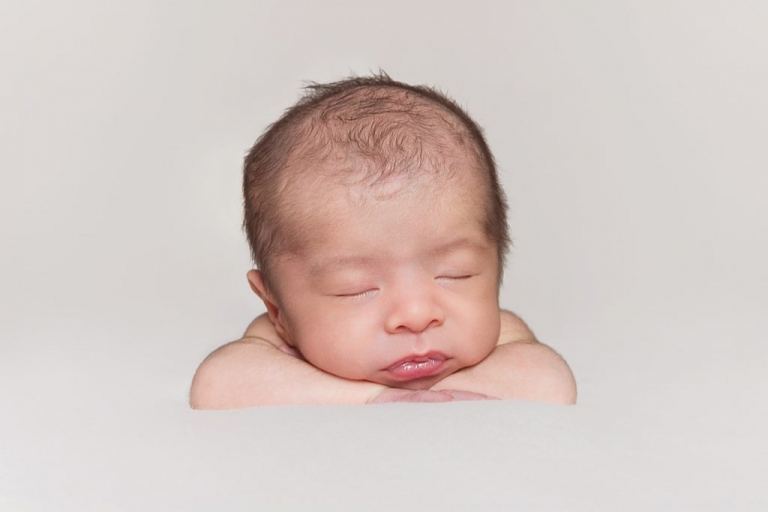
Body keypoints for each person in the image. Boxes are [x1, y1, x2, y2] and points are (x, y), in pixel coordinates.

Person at [190, 74, 577, 408]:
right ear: (277, 309)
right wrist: (372, 399)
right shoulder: (275, 341)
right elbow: (216, 387)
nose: (416, 315)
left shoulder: (501, 337)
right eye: (356, 289)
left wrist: (428, 398)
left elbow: (549, 383)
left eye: (454, 275)